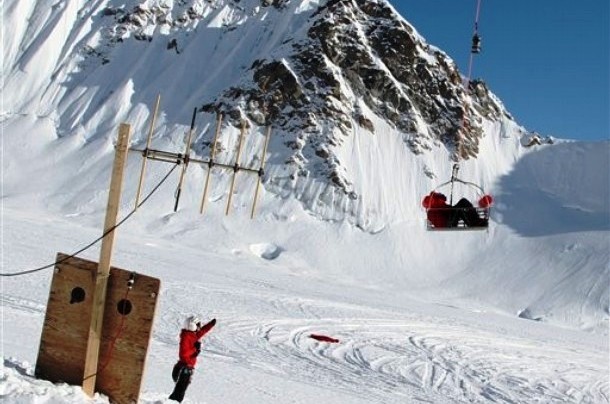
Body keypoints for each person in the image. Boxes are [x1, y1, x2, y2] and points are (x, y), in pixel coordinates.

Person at [169, 315, 217, 403]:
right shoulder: (186, 337)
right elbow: (183, 353)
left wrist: (210, 324)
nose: (199, 326)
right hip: (184, 368)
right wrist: (195, 349)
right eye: (197, 324)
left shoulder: (191, 335)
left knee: (179, 391)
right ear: (192, 325)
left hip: (186, 368)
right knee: (179, 393)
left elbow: (202, 331)